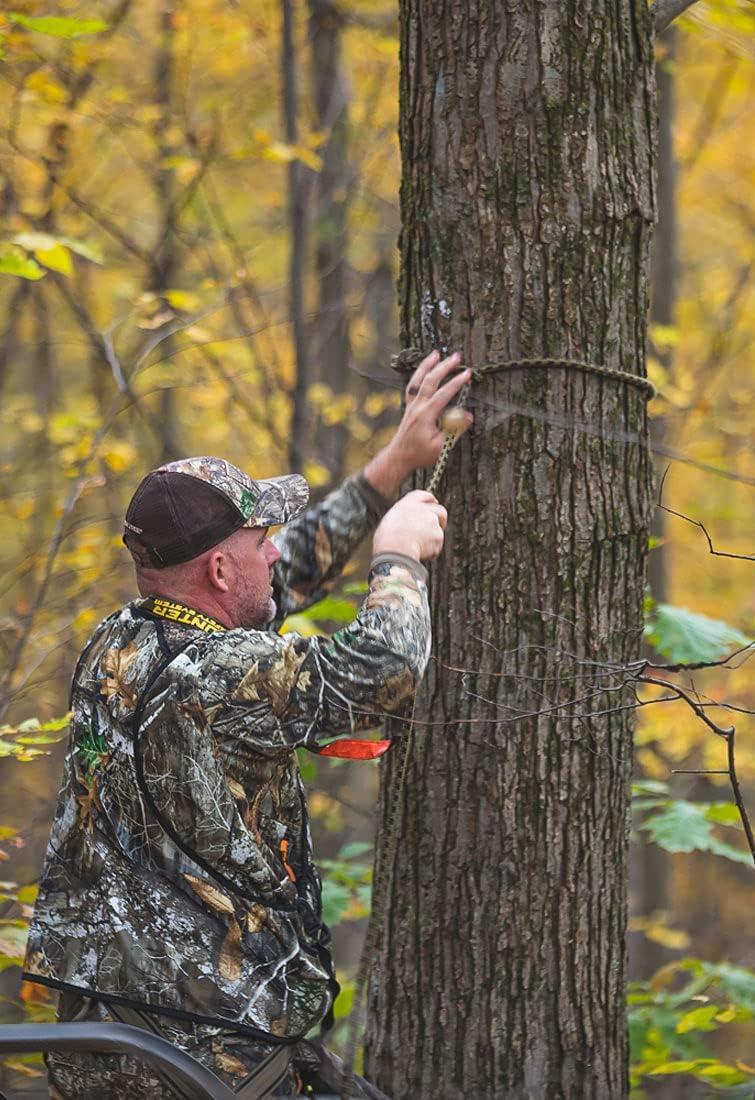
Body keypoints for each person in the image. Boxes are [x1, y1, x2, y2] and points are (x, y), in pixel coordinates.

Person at [23, 352, 471, 1097]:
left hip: (105, 1048)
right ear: (220, 574)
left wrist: (393, 465)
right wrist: (398, 557)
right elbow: (383, 671)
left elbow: (279, 575)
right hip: (213, 1064)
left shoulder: (118, 640)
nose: (274, 548)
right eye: (259, 537)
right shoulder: (224, 673)